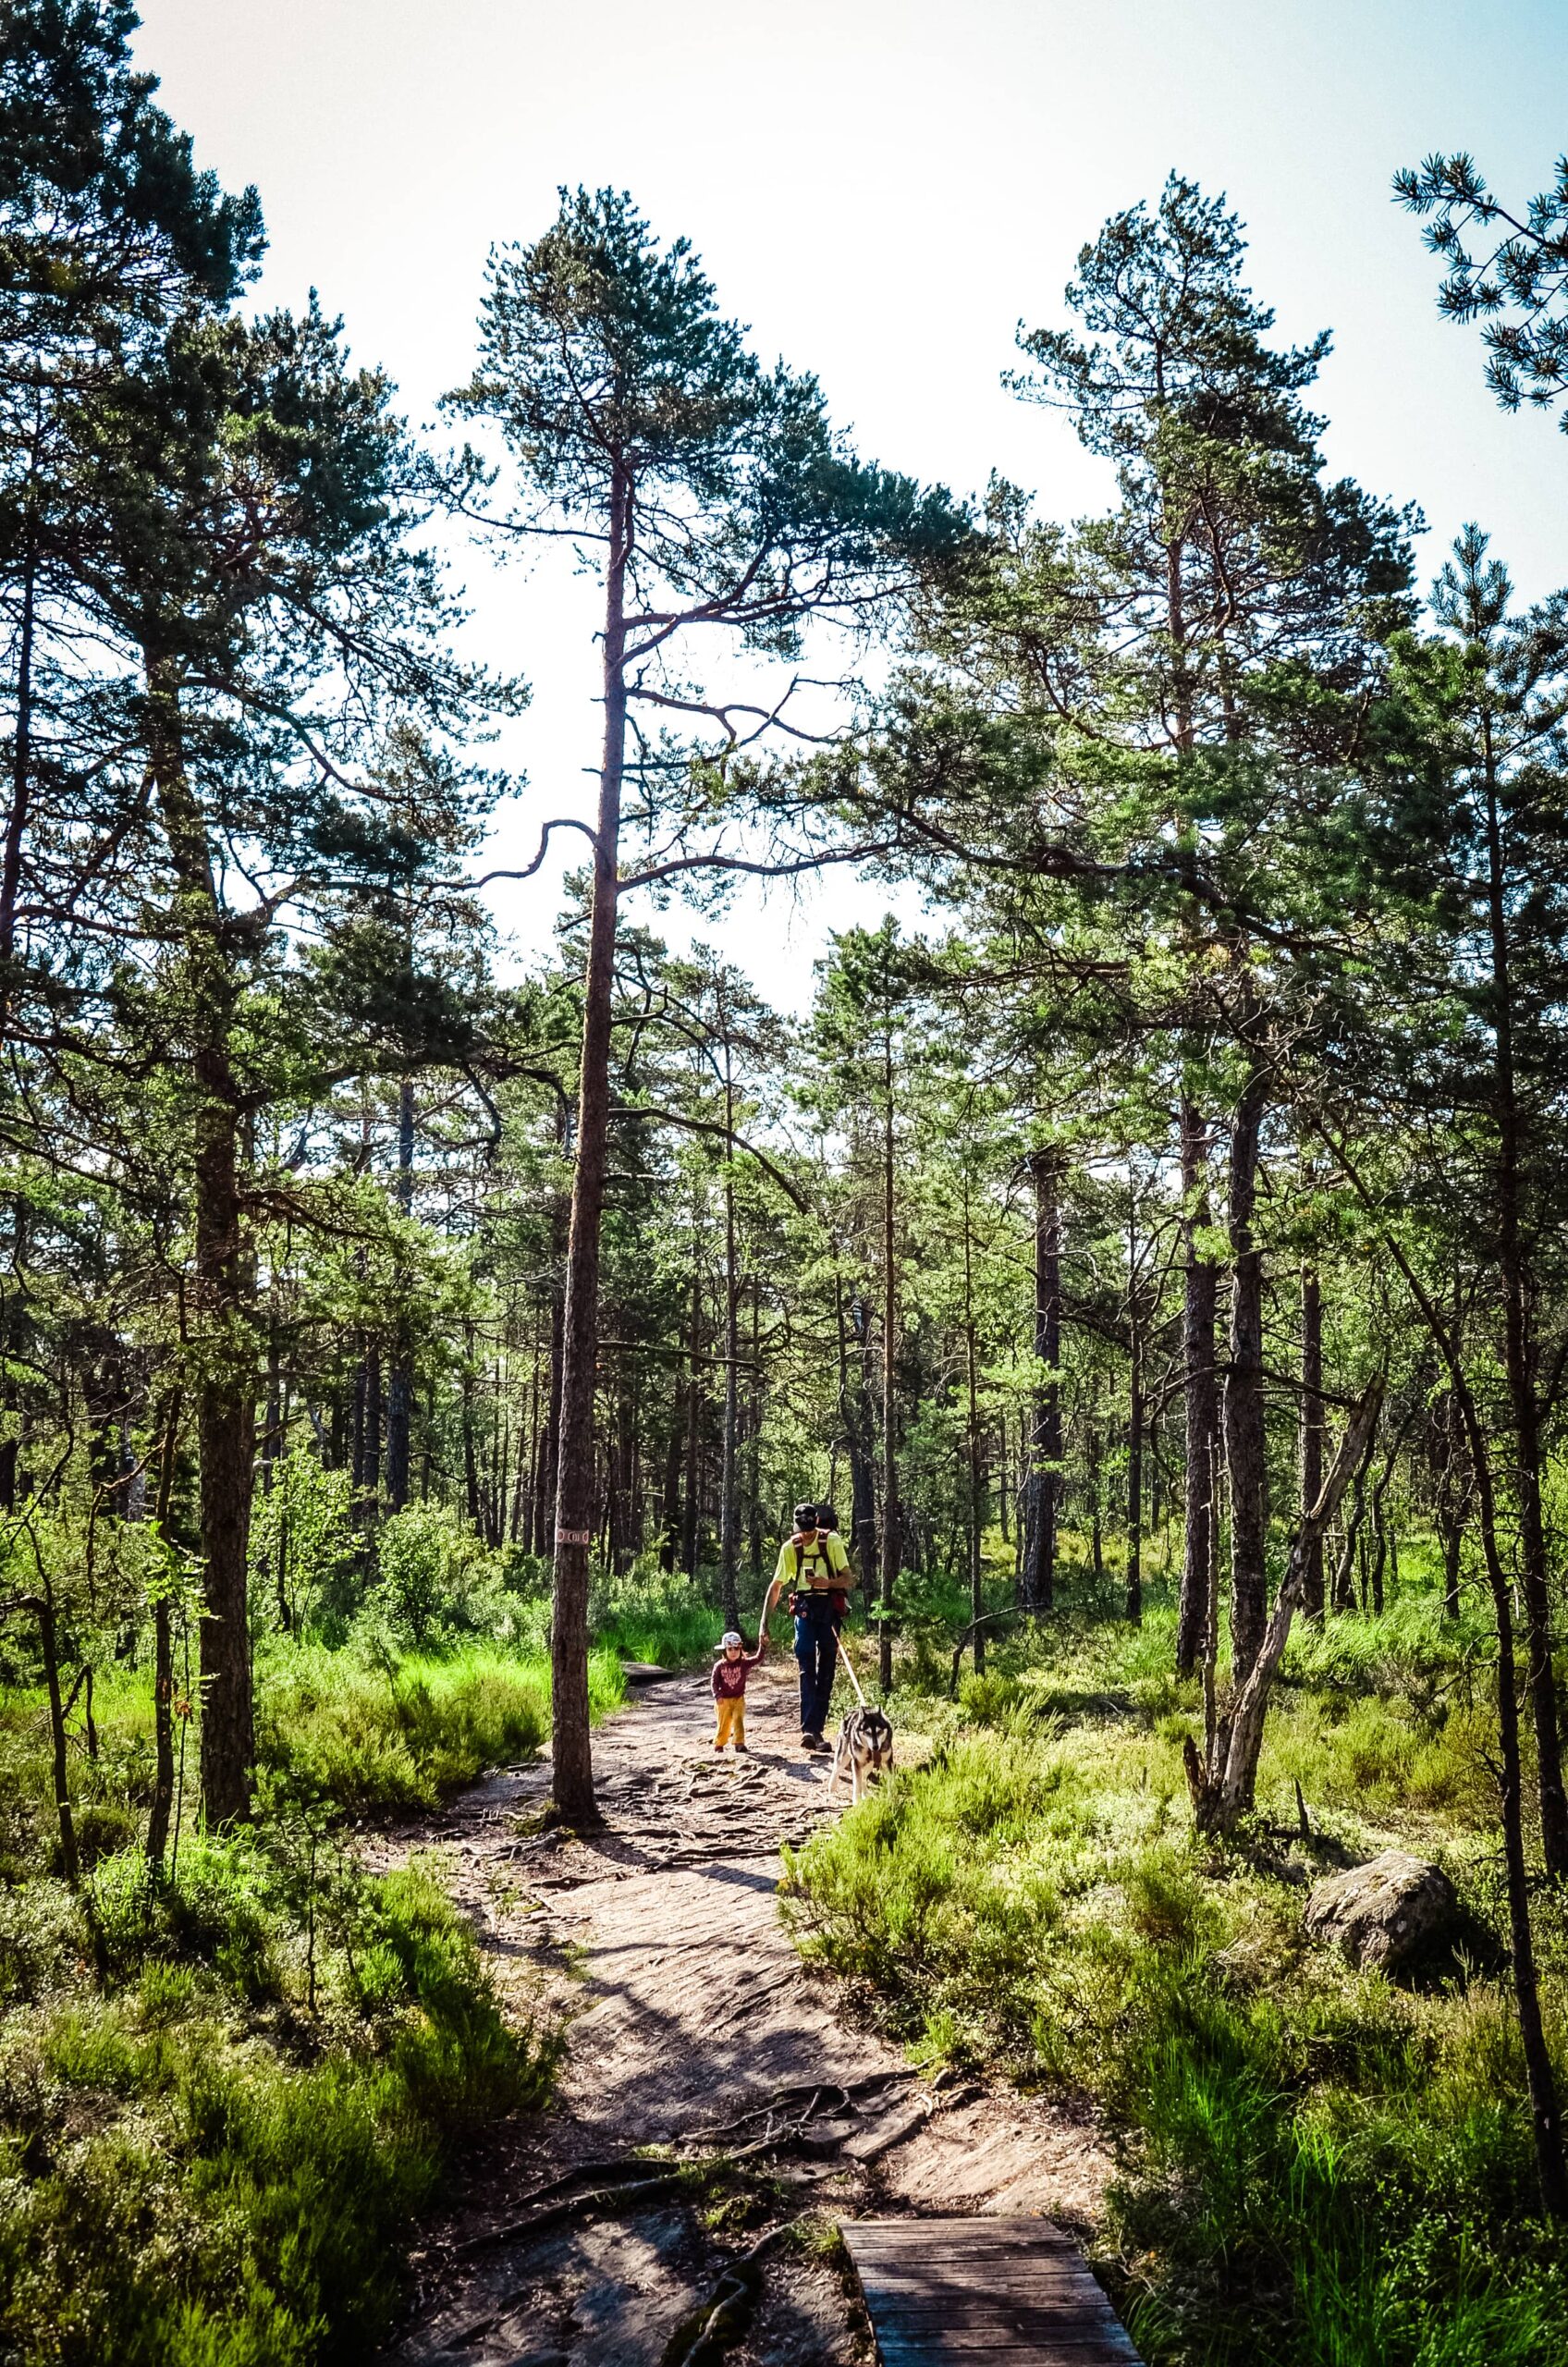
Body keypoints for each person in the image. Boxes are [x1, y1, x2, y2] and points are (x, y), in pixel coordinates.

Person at [760, 1500, 851, 1751]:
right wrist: (764, 1623)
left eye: (810, 1530)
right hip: (805, 1609)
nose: (807, 1534)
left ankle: (816, 1729)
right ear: (796, 1526)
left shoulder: (832, 1542)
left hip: (829, 1607)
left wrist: (827, 1583)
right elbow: (776, 1586)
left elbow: (848, 1578)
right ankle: (810, 1731)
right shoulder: (790, 1548)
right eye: (803, 1530)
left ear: (817, 1523)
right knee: (806, 1667)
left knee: (826, 1670)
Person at [711, 1627, 764, 1751]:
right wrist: (717, 1695)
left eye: (736, 1649)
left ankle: (739, 1743)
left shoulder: (743, 1663)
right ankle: (719, 1744)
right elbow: (714, 1682)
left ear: (740, 1649)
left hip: (738, 1698)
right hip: (723, 1701)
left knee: (738, 1720)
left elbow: (758, 1658)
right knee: (724, 1723)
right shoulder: (719, 1666)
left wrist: (763, 1645)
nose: (733, 1652)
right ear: (724, 1650)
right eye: (730, 1649)